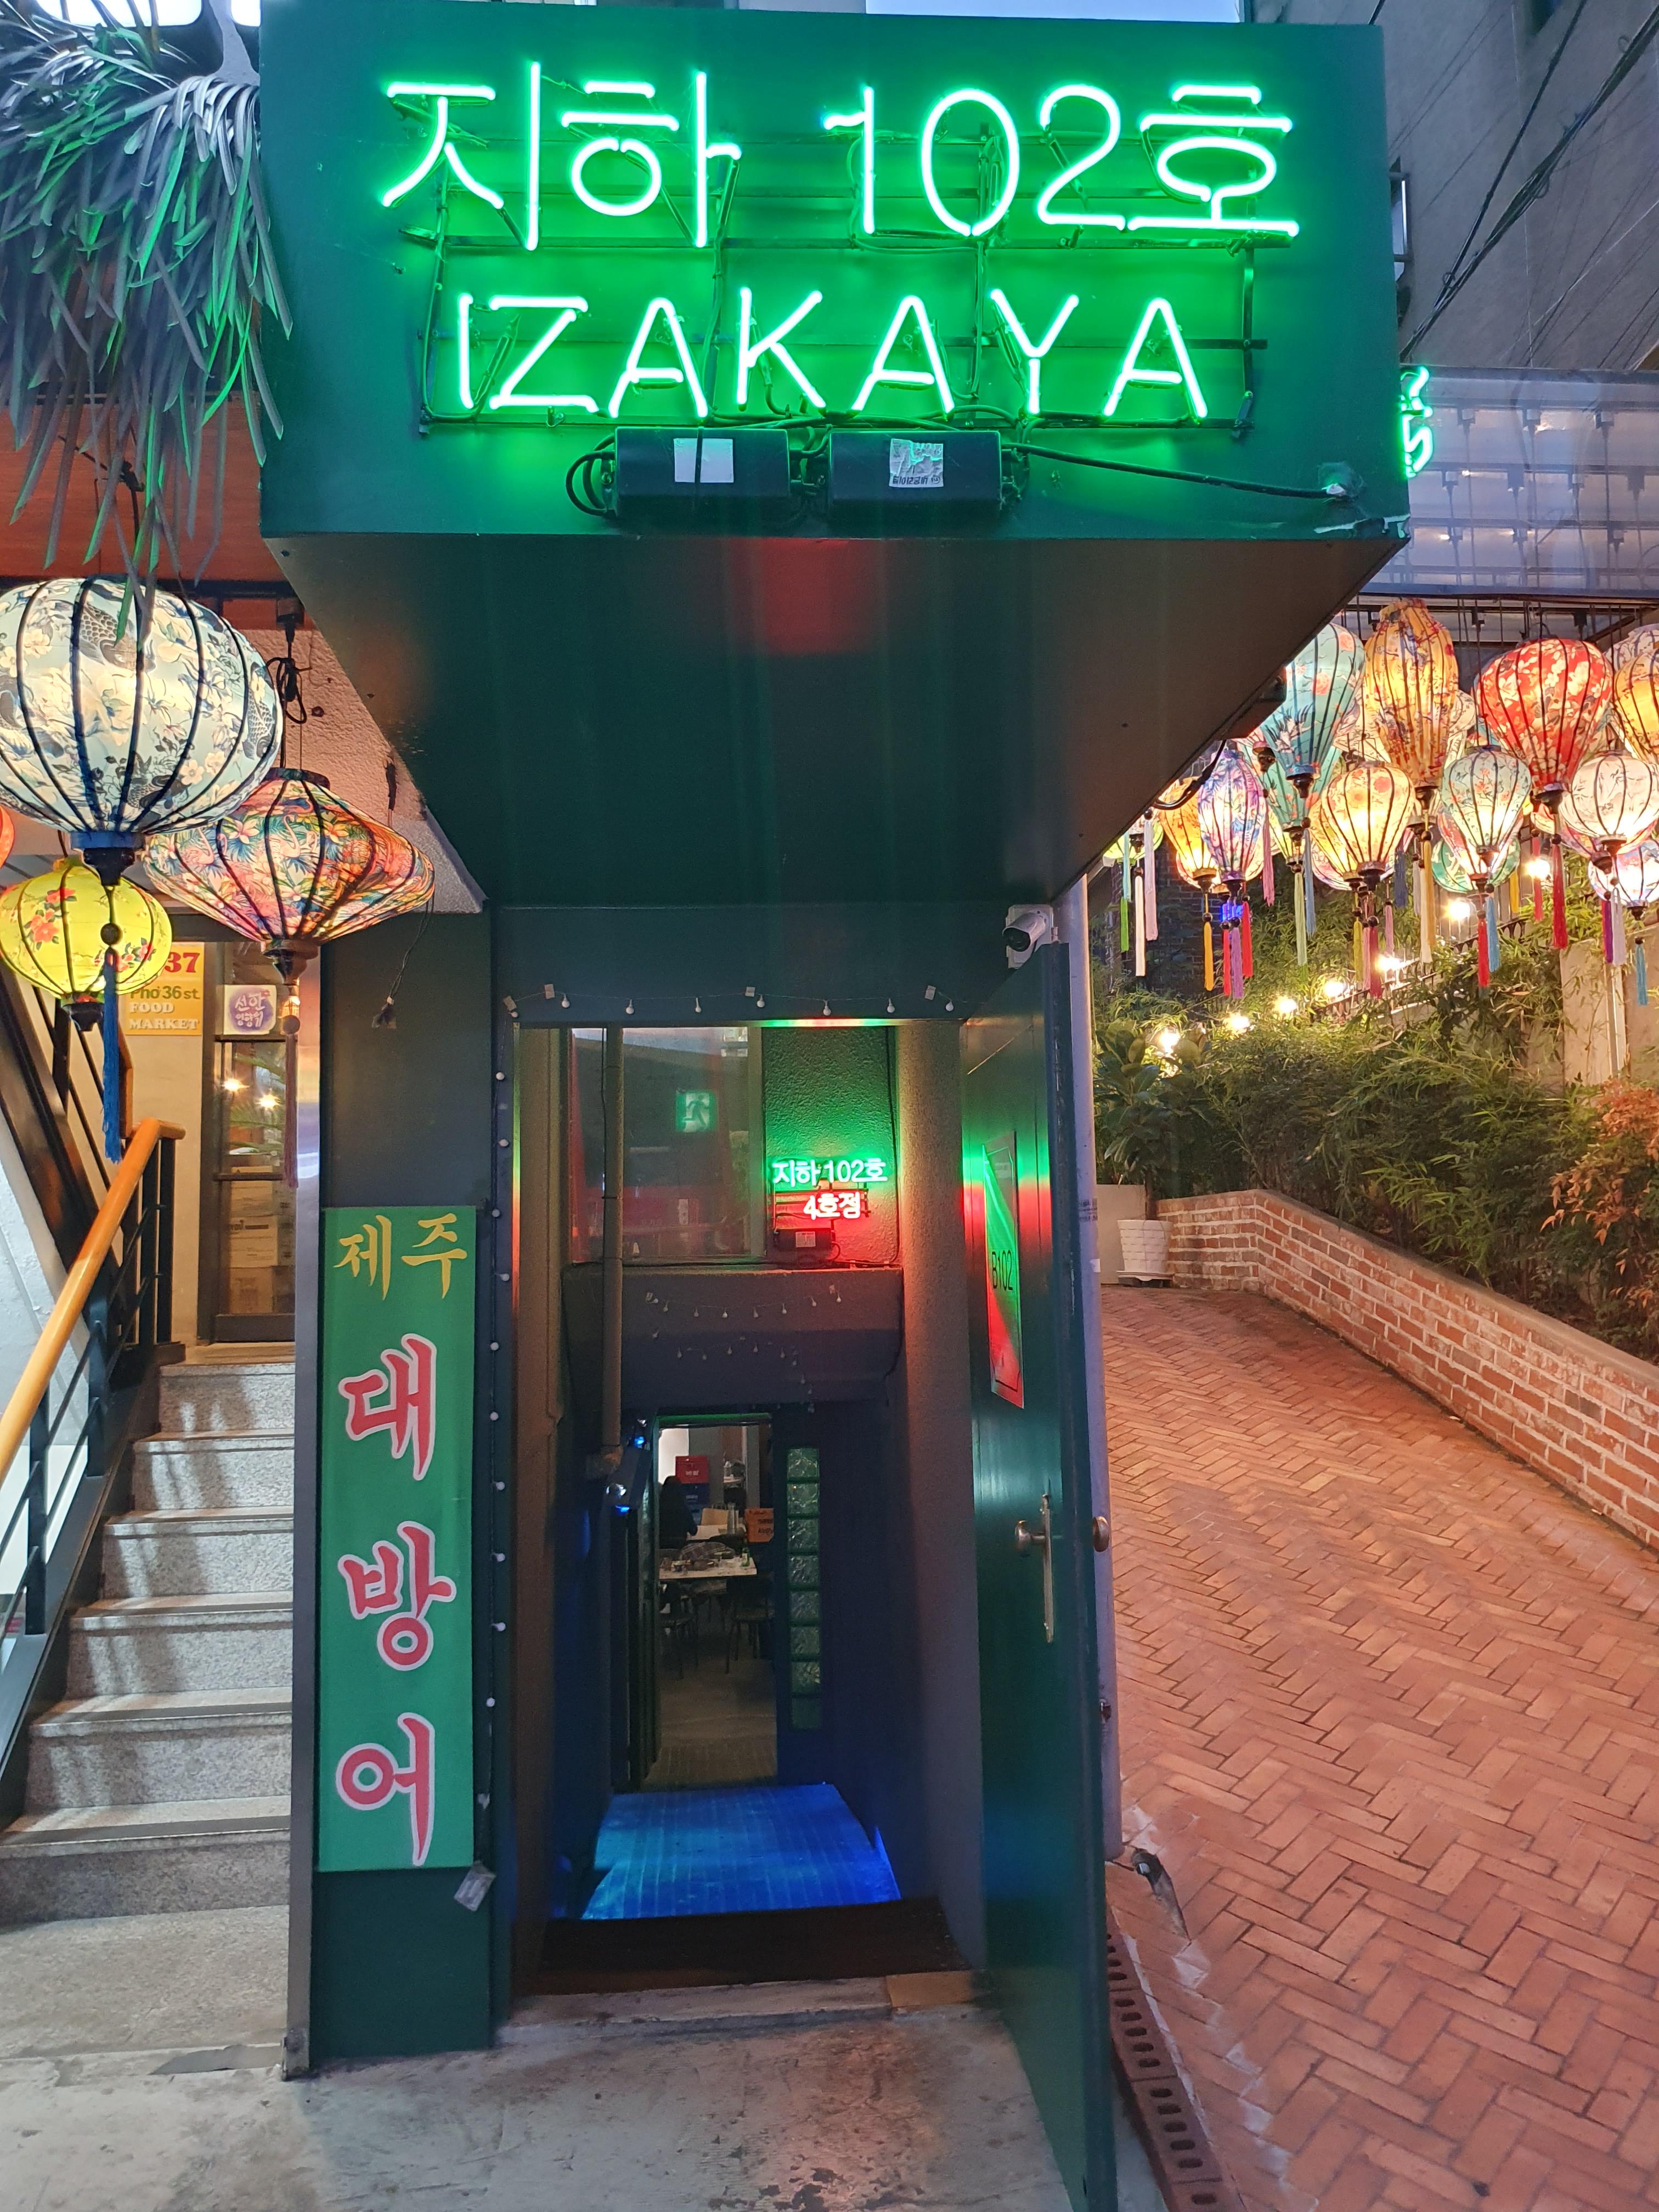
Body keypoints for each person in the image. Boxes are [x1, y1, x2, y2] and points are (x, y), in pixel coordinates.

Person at [658, 1471, 695, 1553]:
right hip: (680, 1549)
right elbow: (694, 1531)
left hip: (660, 1548)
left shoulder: (657, 1508)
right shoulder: (683, 1508)